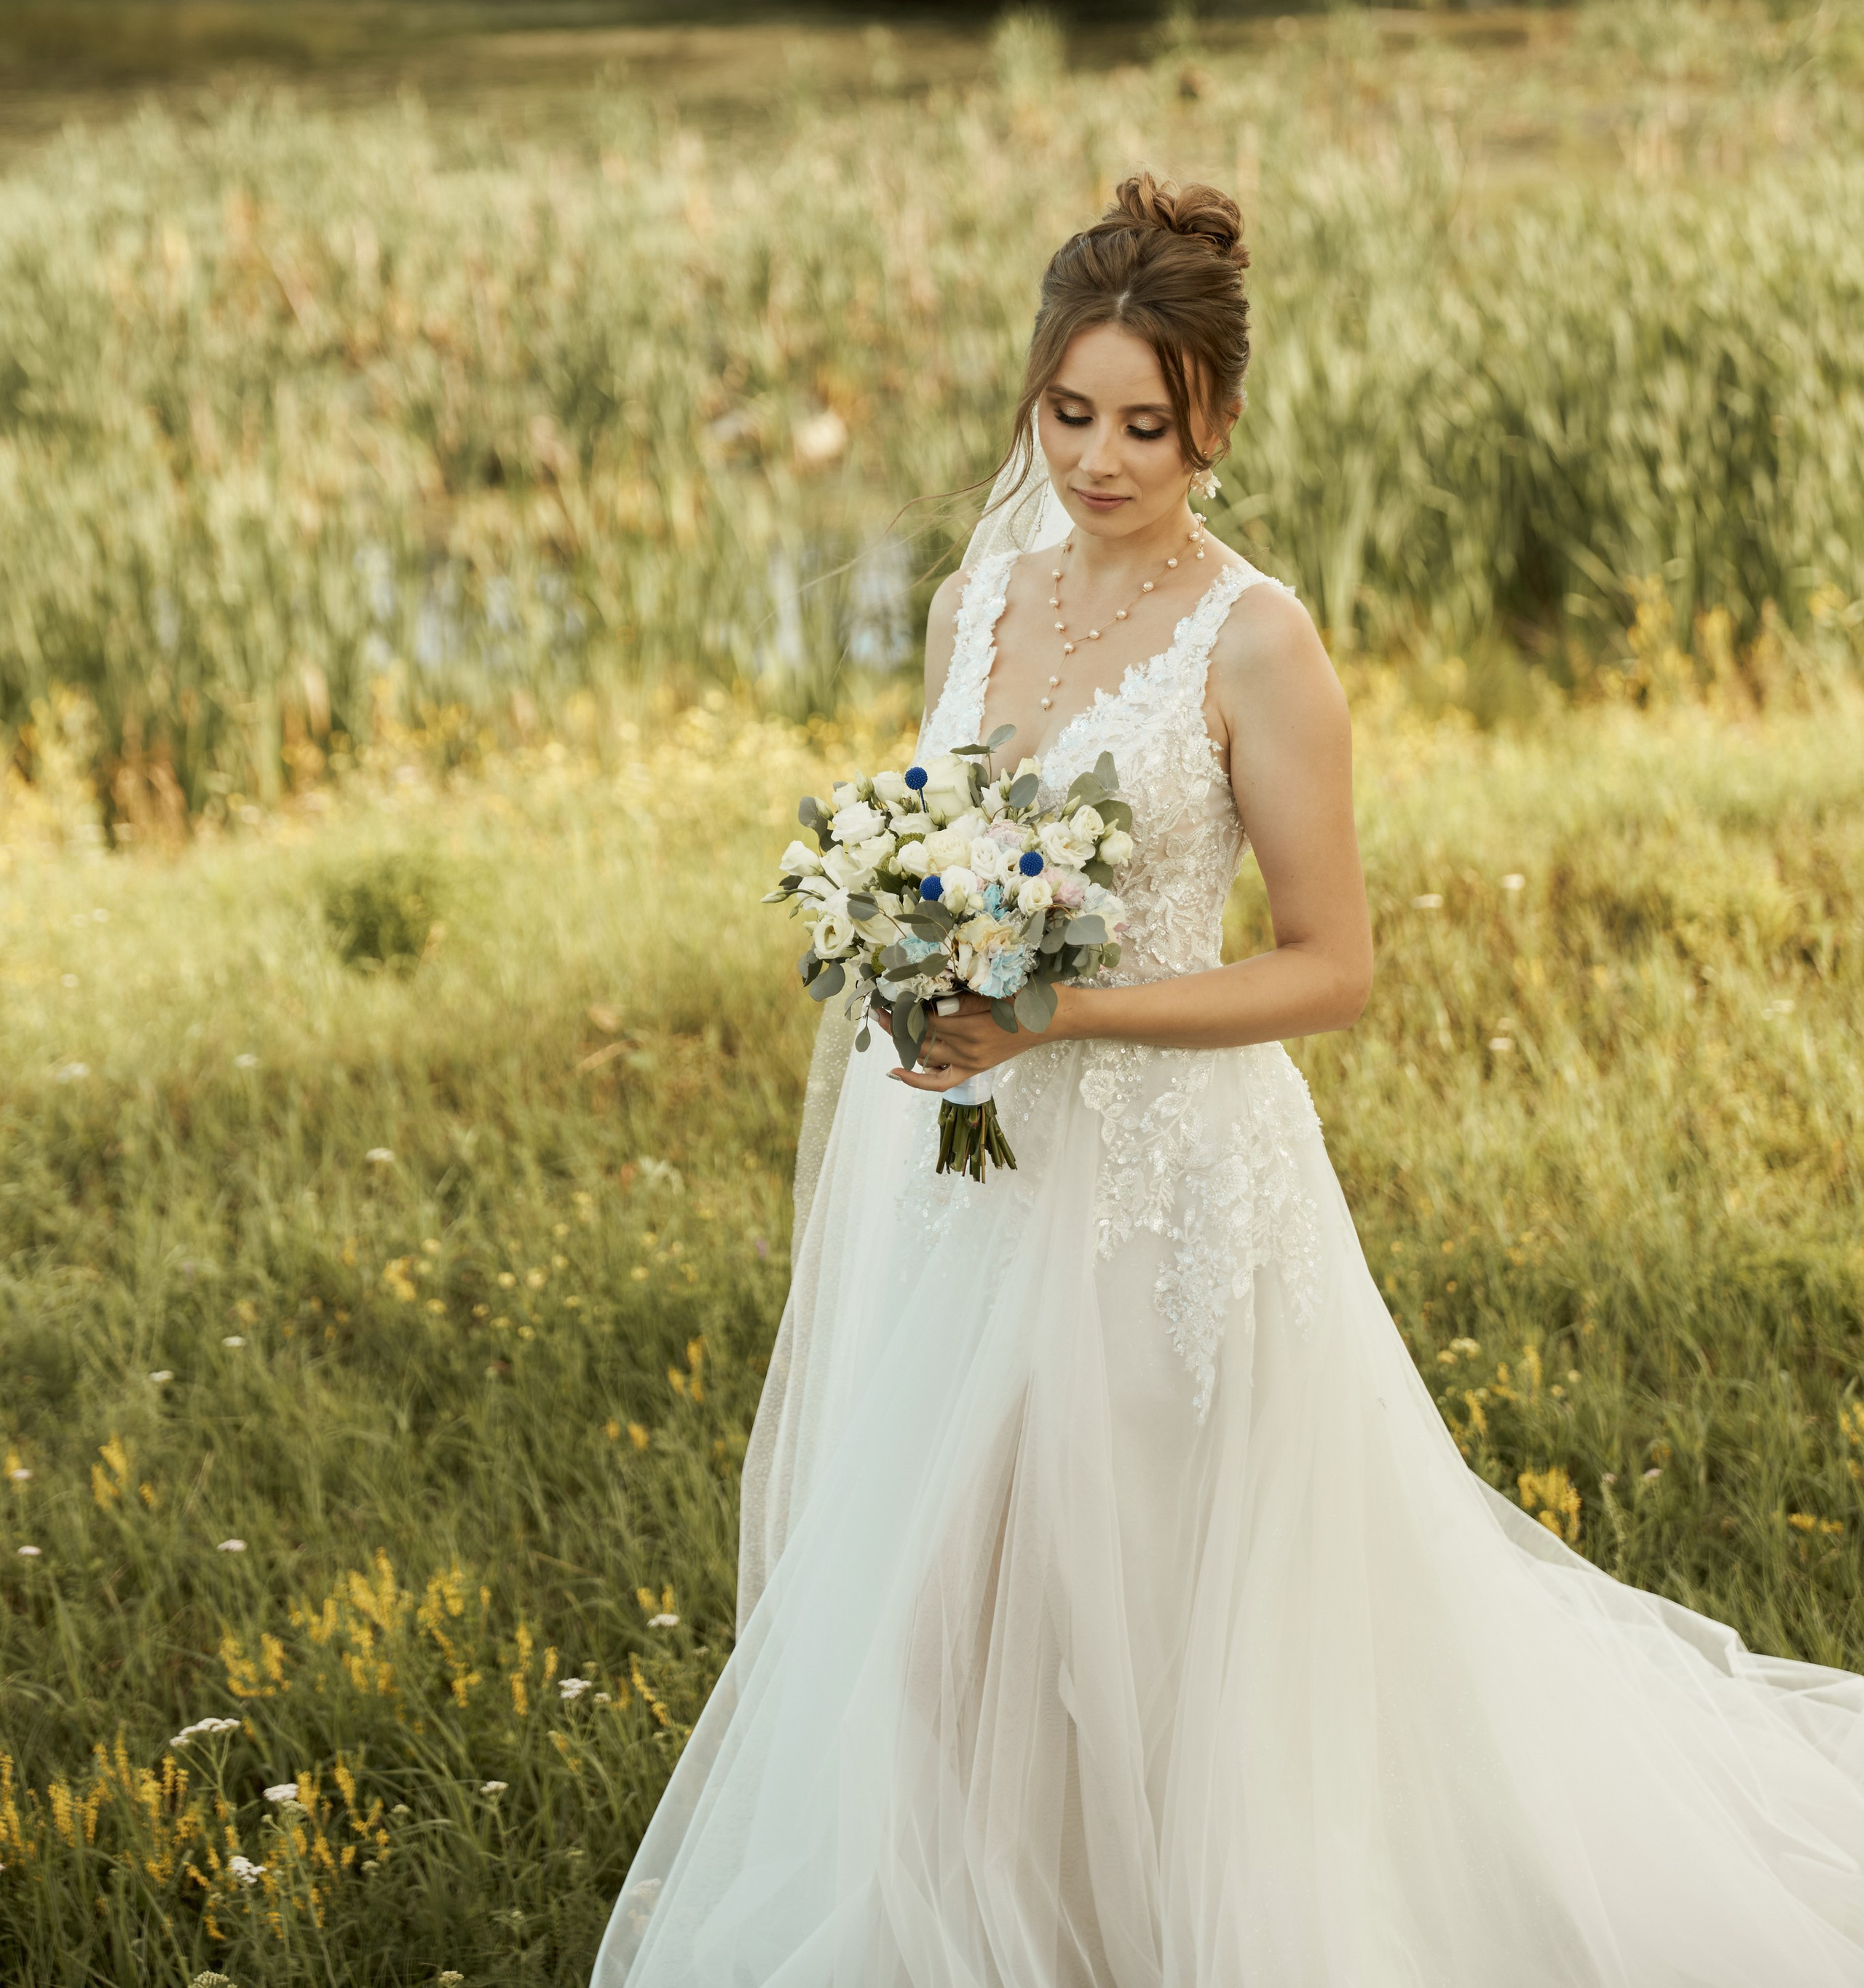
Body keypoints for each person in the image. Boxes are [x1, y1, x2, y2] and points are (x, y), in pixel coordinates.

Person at [595, 175, 1864, 1986]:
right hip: (978, 1170)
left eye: (1148, 427)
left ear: (1216, 423)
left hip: (1170, 1189)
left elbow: (1327, 968)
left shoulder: (1254, 640)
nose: (1104, 461)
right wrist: (922, 970)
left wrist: (1066, 1020)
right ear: (1030, 393)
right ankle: (1009, 1929)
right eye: (1071, 414)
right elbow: (944, 848)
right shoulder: (974, 602)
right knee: (940, 1599)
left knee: (1157, 1605)